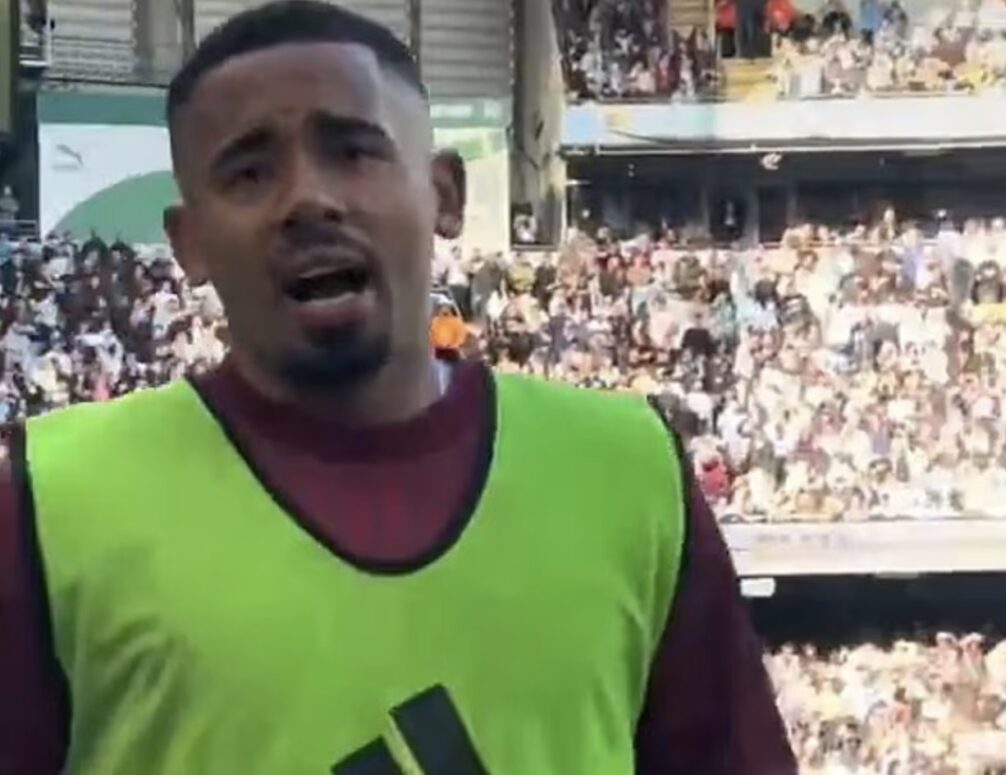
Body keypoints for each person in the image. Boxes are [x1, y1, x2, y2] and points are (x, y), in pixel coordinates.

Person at [0, 2, 796, 773]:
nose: (307, 199)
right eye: (248, 173)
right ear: (189, 242)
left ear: (445, 194)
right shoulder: (51, 503)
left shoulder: (629, 472)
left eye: (353, 152)